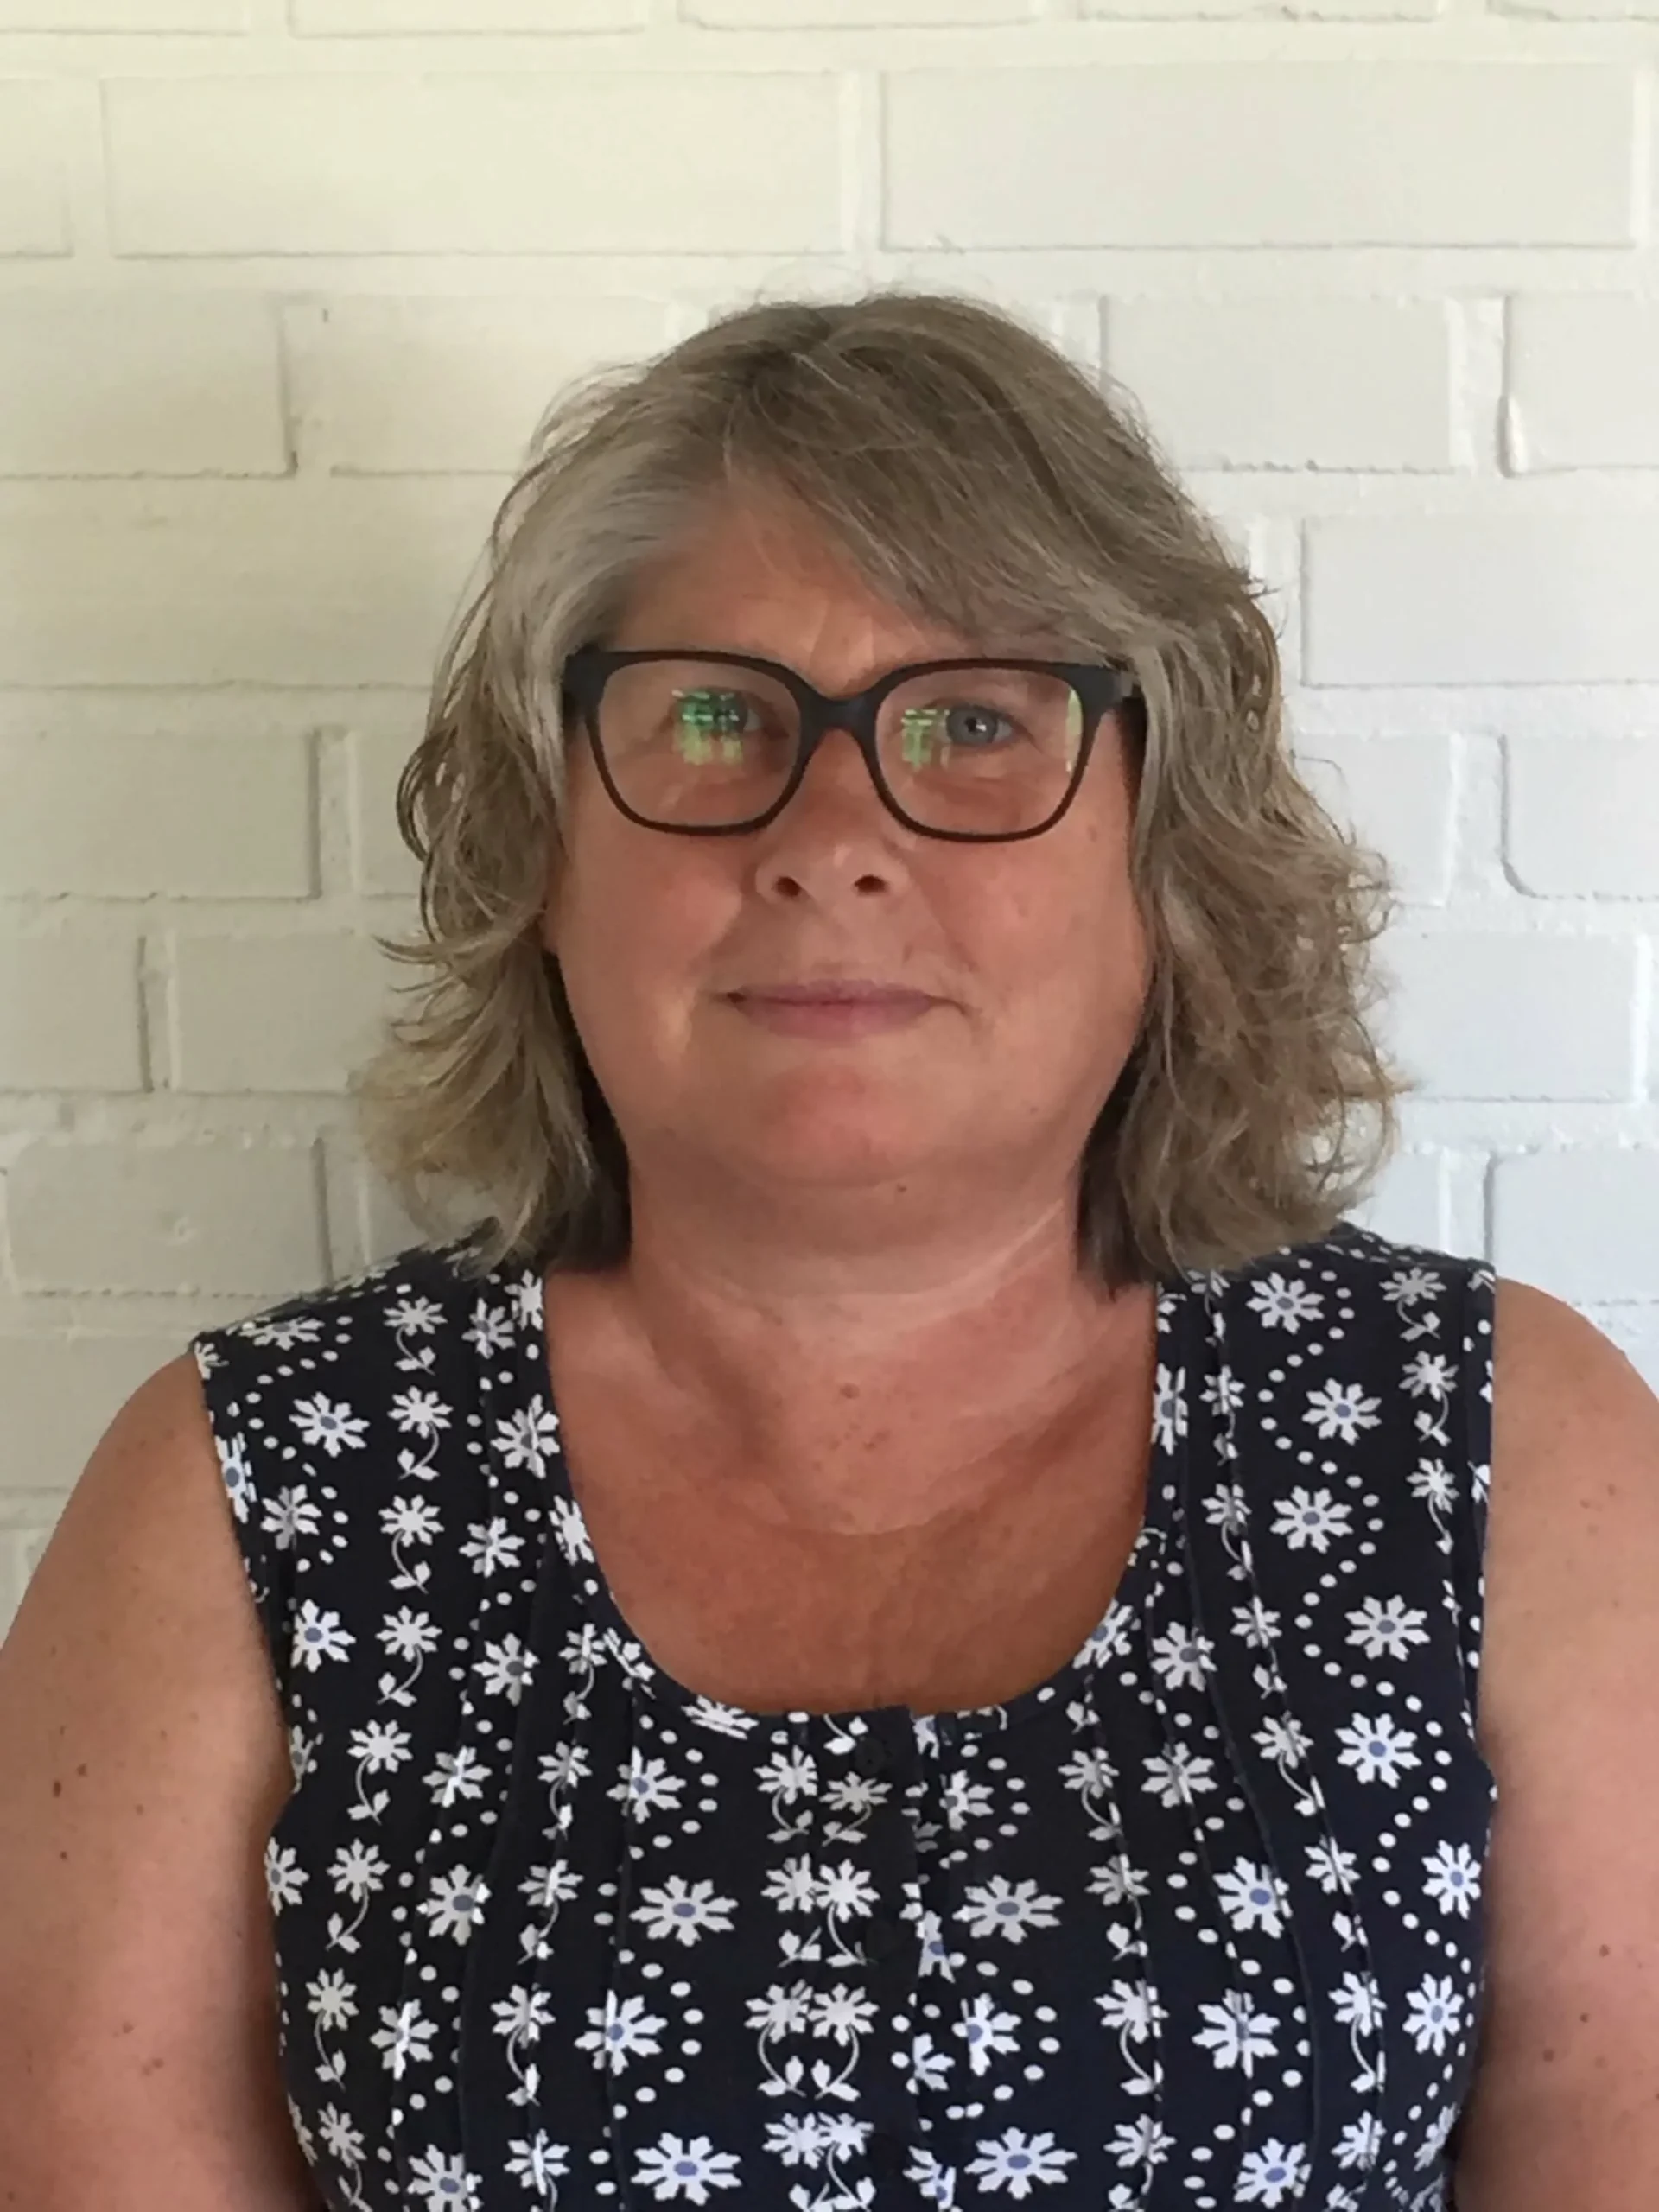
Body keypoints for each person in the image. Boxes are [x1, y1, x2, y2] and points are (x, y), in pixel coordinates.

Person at [1, 288, 1656, 2212]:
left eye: (977, 724)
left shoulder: (1487, 1448)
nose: (835, 834)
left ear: (1166, 855)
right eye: (717, 719)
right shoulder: (257, 1485)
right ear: (546, 854)